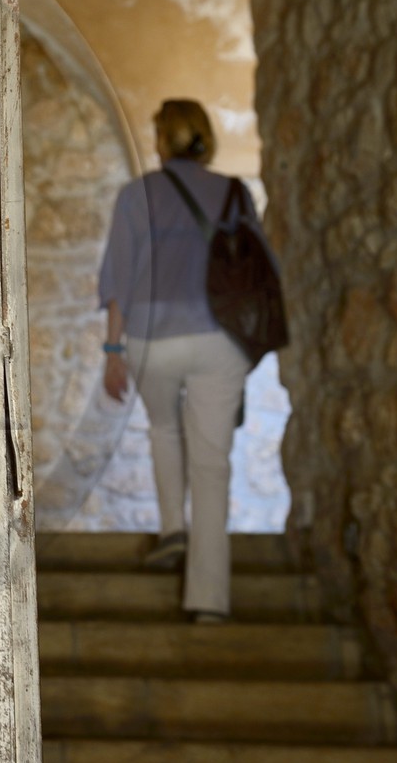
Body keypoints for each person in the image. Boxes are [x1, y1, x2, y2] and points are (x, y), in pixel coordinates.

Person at [96, 99, 272, 625]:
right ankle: (209, 601)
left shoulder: (135, 196)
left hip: (154, 338)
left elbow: (117, 280)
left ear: (163, 138)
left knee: (164, 430)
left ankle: (173, 527)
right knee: (213, 465)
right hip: (219, 338)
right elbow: (260, 269)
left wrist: (112, 350)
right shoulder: (235, 193)